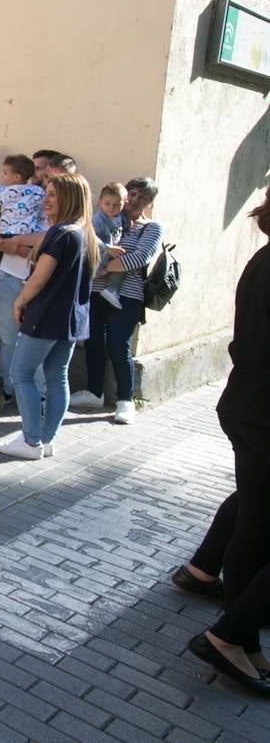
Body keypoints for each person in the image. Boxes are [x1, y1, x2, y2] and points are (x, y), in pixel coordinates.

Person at [185, 186, 270, 696]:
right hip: (260, 413)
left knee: (255, 523)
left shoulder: (263, 257)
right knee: (256, 524)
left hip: (248, 408)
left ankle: (241, 640)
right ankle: (231, 633)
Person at [0, 174, 98, 460]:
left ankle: (30, 441)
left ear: (69, 198)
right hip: (72, 320)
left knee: (20, 373)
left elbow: (40, 276)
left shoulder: (60, 234)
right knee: (57, 377)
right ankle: (45, 440)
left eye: (52, 195)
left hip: (47, 316)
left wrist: (21, 300)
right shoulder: (84, 234)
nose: (46, 200)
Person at [70, 178, 163, 424]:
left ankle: (125, 399)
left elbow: (140, 258)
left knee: (119, 345)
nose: (134, 200)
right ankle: (94, 392)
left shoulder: (151, 227)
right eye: (131, 194)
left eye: (141, 198)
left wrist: (102, 269)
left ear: (149, 203)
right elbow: (89, 244)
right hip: (97, 291)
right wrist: (97, 270)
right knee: (92, 341)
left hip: (128, 295)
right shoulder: (107, 219)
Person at [0, 154, 47, 398]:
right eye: (39, 169)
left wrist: (21, 242)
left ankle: (39, 392)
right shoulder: (22, 197)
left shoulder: (50, 206)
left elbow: (52, 240)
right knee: (9, 339)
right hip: (9, 276)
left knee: (36, 340)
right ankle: (7, 389)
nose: (40, 174)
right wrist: (11, 246)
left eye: (45, 171)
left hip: (40, 282)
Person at [92, 182, 127, 308]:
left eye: (117, 205)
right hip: (98, 257)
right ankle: (110, 288)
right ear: (99, 203)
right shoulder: (98, 219)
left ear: (124, 204)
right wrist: (107, 248)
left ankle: (111, 290)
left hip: (109, 256)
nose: (111, 208)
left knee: (124, 260)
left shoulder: (120, 216)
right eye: (107, 204)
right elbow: (90, 237)